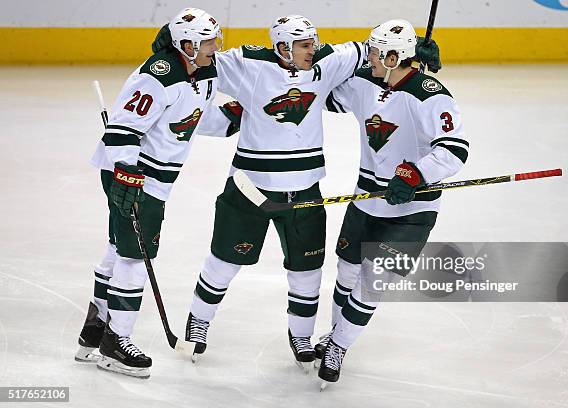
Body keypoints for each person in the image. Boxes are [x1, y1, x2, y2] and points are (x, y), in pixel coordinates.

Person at [151, 15, 441, 370]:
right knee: (224, 261)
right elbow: (197, 61)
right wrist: (165, 56)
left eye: (313, 42)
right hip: (249, 189)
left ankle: (301, 336)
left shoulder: (327, 61)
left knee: (307, 270)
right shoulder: (248, 63)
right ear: (282, 47)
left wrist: (413, 56)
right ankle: (199, 322)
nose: (313, 49)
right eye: (304, 45)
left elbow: (376, 52)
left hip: (305, 194)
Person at [75, 8, 236, 378]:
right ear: (187, 44)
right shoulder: (157, 76)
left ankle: (93, 332)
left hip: (153, 179)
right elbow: (122, 130)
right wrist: (127, 173)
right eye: (210, 41)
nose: (218, 47)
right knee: (134, 256)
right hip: (134, 177)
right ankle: (117, 342)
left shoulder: (203, 73)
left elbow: (189, 121)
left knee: (118, 248)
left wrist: (232, 118)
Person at [314, 19, 469, 387]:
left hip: (412, 211)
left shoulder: (432, 95)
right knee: (347, 272)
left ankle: (338, 344)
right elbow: (328, 88)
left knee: (373, 282)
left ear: (394, 55)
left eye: (374, 51)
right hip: (367, 198)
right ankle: (337, 333)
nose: (368, 56)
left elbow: (455, 148)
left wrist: (416, 174)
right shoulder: (367, 81)